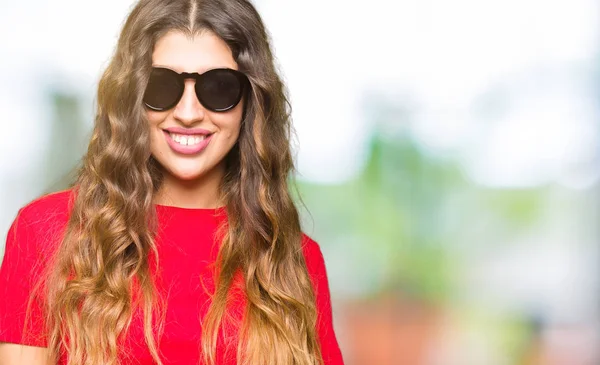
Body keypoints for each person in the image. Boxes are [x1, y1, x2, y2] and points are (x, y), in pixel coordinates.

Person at [0, 0, 345, 364]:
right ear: (132, 96)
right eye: (161, 86)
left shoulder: (294, 261)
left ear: (251, 101)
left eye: (219, 88)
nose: (188, 113)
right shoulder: (45, 233)